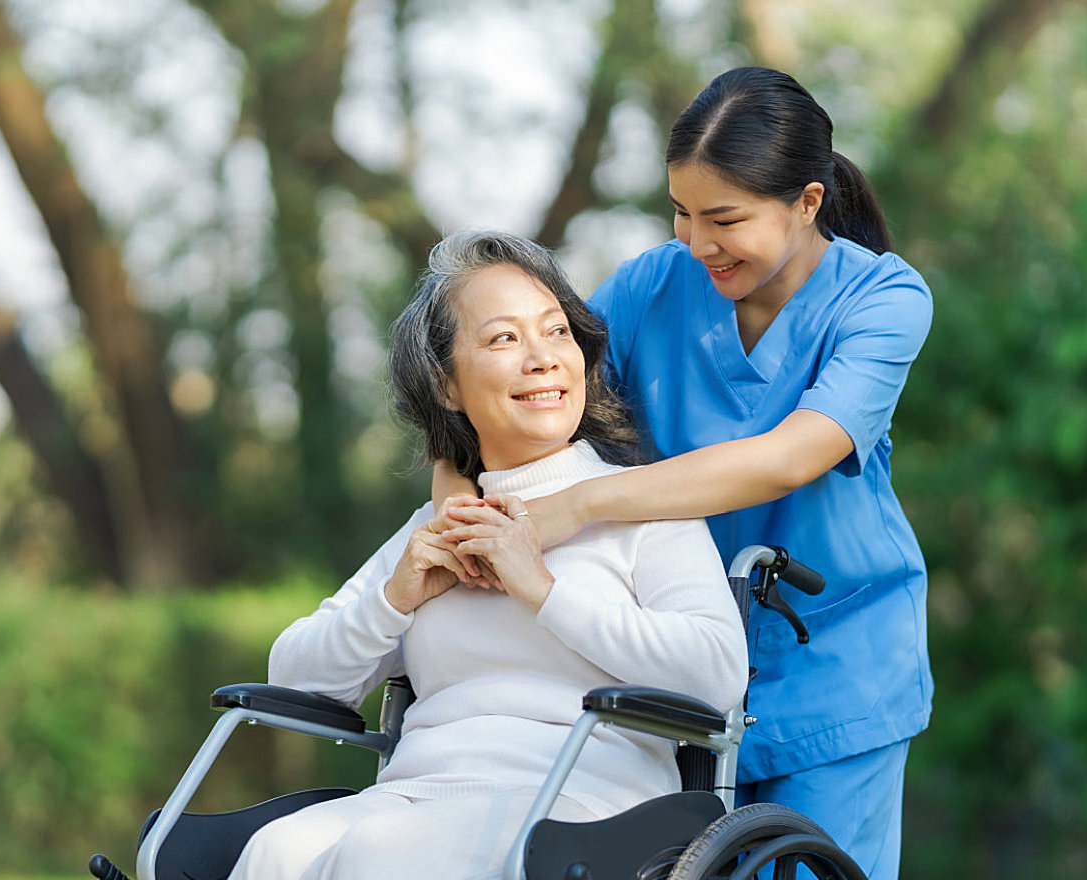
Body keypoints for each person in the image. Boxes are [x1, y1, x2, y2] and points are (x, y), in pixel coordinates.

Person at [434, 66, 933, 880]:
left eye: (724, 218)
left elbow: (787, 458)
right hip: (674, 666)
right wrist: (459, 511)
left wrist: (578, 507)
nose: (697, 242)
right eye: (682, 212)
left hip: (838, 665)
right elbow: (514, 399)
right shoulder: (650, 287)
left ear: (807, 203)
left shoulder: (882, 300)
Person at [229, 230, 748, 880]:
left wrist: (543, 589)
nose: (542, 358)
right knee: (273, 853)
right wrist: (396, 598)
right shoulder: (441, 527)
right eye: (504, 339)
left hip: (584, 803)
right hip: (419, 794)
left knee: (380, 855)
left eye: (557, 332)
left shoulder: (640, 509)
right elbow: (292, 679)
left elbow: (718, 674)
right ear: (447, 385)